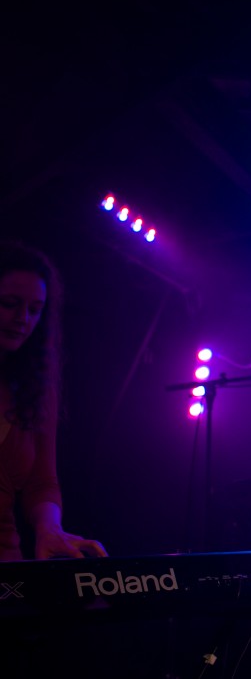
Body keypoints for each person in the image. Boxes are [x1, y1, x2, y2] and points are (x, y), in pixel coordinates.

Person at [0, 240, 107, 561]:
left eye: (35, 310)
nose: (23, 318)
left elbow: (41, 482)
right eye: (9, 303)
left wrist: (49, 529)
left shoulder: (35, 387)